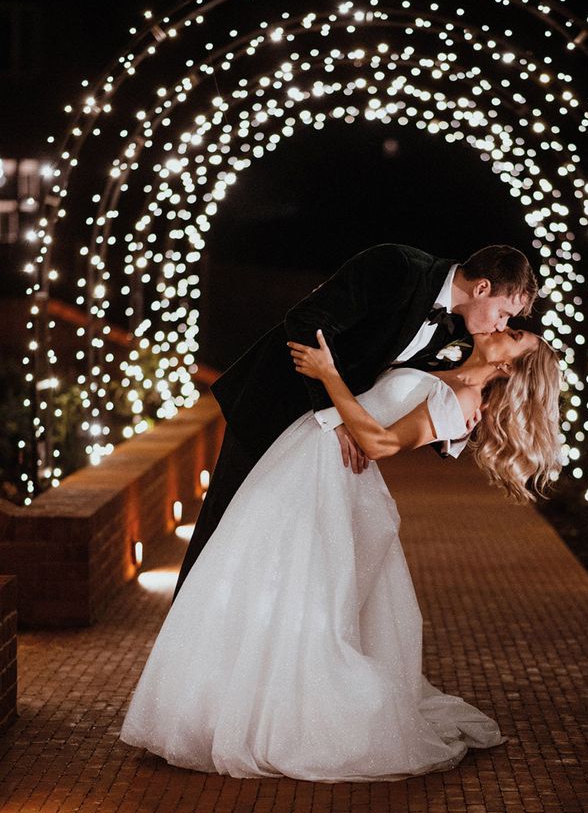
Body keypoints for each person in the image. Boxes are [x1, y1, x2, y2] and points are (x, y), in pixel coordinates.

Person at [119, 320, 564, 782]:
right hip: (304, 461)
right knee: (255, 583)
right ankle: (217, 712)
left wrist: (328, 374)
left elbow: (380, 442)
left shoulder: (463, 402)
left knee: (304, 603)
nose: (505, 328)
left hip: (330, 483)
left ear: (509, 364)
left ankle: (284, 722)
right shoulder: (442, 362)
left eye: (515, 337)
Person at [171, 242, 540, 600]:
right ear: (482, 288)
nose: (500, 325)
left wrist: (460, 422)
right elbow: (305, 321)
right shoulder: (397, 267)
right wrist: (334, 416)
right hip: (277, 405)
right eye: (503, 314)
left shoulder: (459, 331)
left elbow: (428, 390)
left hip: (320, 449)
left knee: (274, 556)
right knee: (222, 531)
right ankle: (183, 639)